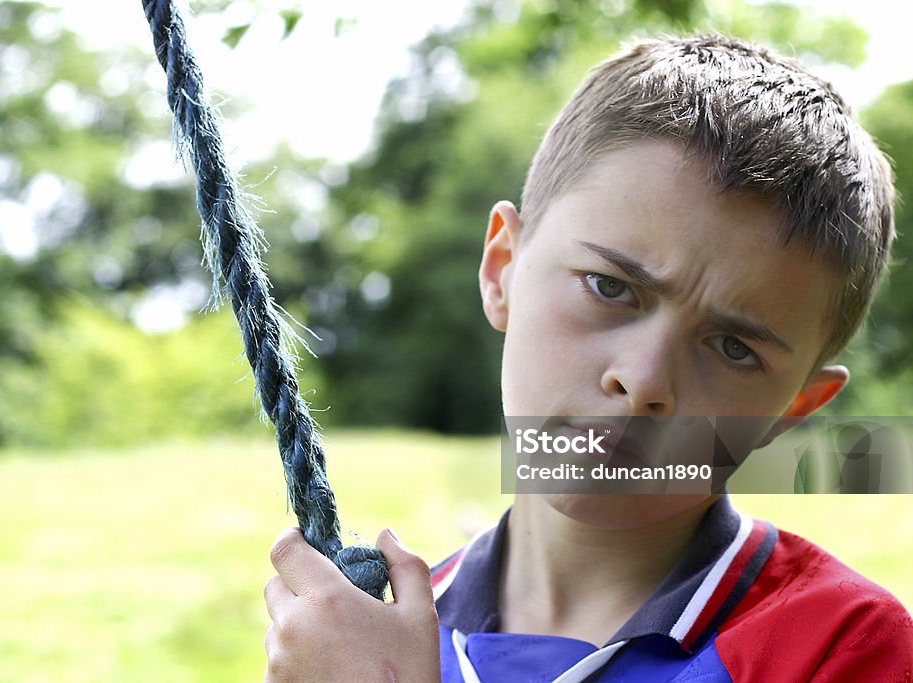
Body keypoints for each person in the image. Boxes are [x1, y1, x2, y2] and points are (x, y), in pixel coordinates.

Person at [261, 34, 913, 682]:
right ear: (502, 269)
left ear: (791, 409)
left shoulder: (845, 646)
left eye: (734, 348)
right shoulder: (381, 633)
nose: (644, 380)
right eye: (610, 287)